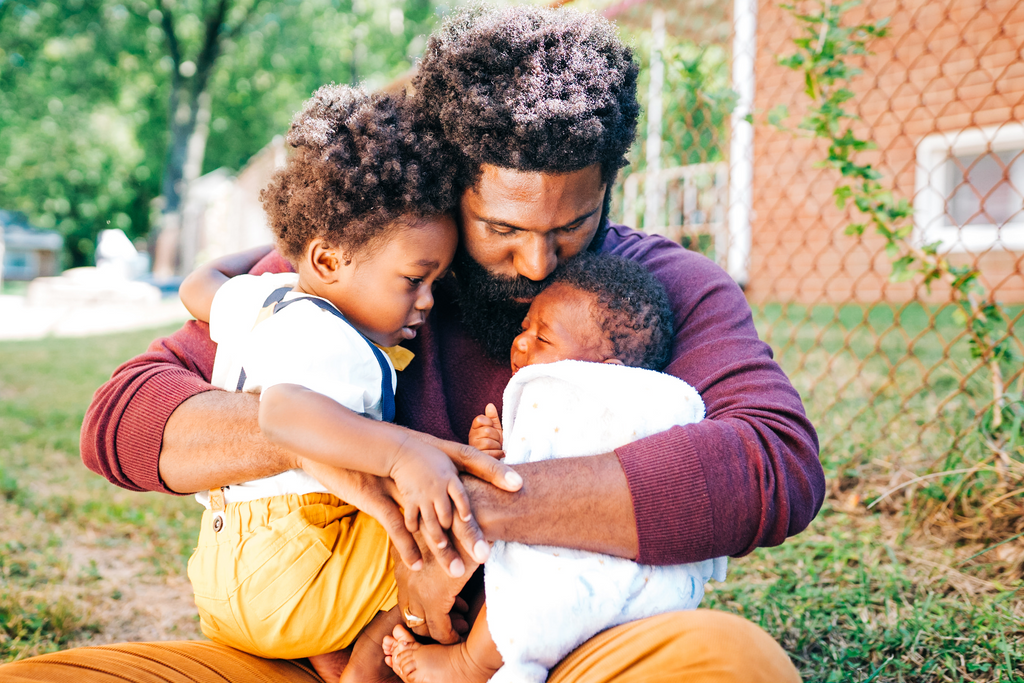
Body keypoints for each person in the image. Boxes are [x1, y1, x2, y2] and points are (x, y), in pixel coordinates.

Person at [4, 5, 823, 682]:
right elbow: (122, 419)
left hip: (551, 660)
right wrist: (353, 444)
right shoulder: (370, 269)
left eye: (573, 224)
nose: (538, 262)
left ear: (611, 182)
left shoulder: (658, 287)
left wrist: (464, 507)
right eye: (501, 227)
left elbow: (772, 462)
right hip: (305, 665)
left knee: (731, 662)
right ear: (448, 182)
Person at [173, 85, 521, 683]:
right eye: (414, 279)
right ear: (331, 262)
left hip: (224, 567)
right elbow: (280, 412)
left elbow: (199, 283)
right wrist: (408, 454)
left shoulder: (266, 298)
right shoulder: (334, 341)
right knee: (443, 522)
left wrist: (290, 248)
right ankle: (367, 671)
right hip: (292, 568)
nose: (428, 300)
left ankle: (329, 654)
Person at [384, 253, 726, 683]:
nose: (521, 343)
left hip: (605, 567)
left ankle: (465, 666)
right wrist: (487, 451)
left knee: (523, 599)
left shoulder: (613, 400)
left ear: (606, 372)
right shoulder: (534, 406)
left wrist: (484, 478)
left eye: (542, 340)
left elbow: (522, 480)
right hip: (594, 586)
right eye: (525, 328)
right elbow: (521, 463)